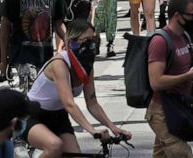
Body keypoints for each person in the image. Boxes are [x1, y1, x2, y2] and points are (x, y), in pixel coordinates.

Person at [22, 20, 131, 158]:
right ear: (72, 42)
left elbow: (92, 103)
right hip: (32, 114)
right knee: (54, 146)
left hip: (58, 116)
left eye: (94, 39)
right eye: (86, 40)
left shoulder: (86, 65)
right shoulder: (59, 64)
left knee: (75, 155)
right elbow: (69, 103)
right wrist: (92, 130)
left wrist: (113, 128)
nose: (91, 44)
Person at [147, 0, 193, 158]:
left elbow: (192, 64)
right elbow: (156, 82)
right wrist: (187, 76)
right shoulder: (160, 41)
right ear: (177, 16)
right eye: (191, 15)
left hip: (179, 107)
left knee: (161, 154)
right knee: (182, 154)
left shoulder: (184, 36)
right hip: (162, 111)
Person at [0, 0, 66, 83]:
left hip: (45, 56)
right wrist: (3, 60)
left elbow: (59, 23)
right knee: (31, 91)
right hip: (23, 56)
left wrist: (69, 41)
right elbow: (5, 27)